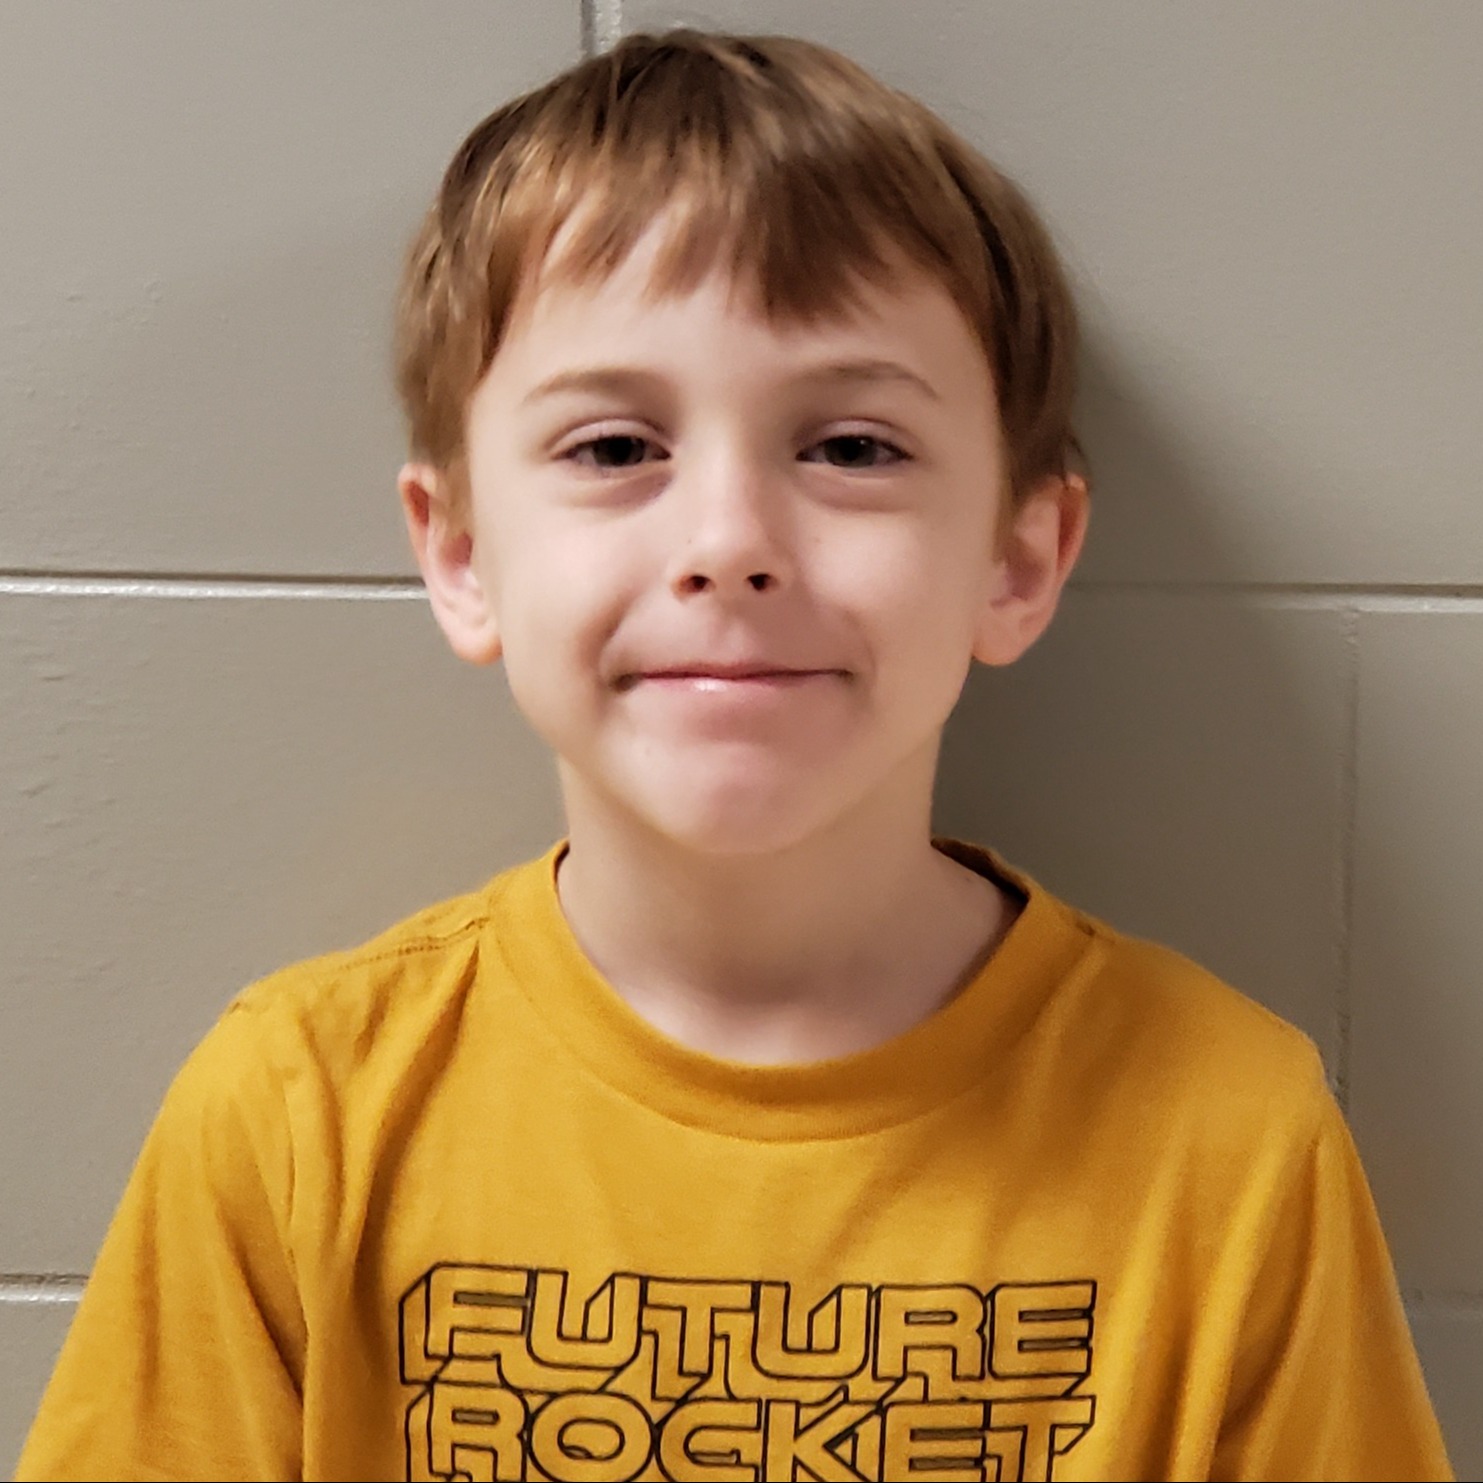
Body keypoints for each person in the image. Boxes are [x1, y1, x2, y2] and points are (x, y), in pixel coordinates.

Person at [16, 27, 1453, 1483]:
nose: (728, 543)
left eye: (851, 448)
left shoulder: (1229, 1137)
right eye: (613, 449)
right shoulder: (295, 1115)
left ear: (1019, 559)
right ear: (460, 555)